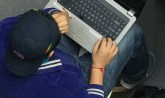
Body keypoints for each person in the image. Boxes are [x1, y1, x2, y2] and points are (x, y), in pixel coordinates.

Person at [0, 8, 153, 97]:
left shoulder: (5, 28)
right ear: (50, 53)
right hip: (83, 78)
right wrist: (98, 66)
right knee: (133, 33)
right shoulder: (62, 88)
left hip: (54, 65)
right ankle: (132, 80)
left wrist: (56, 14)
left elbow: (31, 17)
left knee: (74, 14)